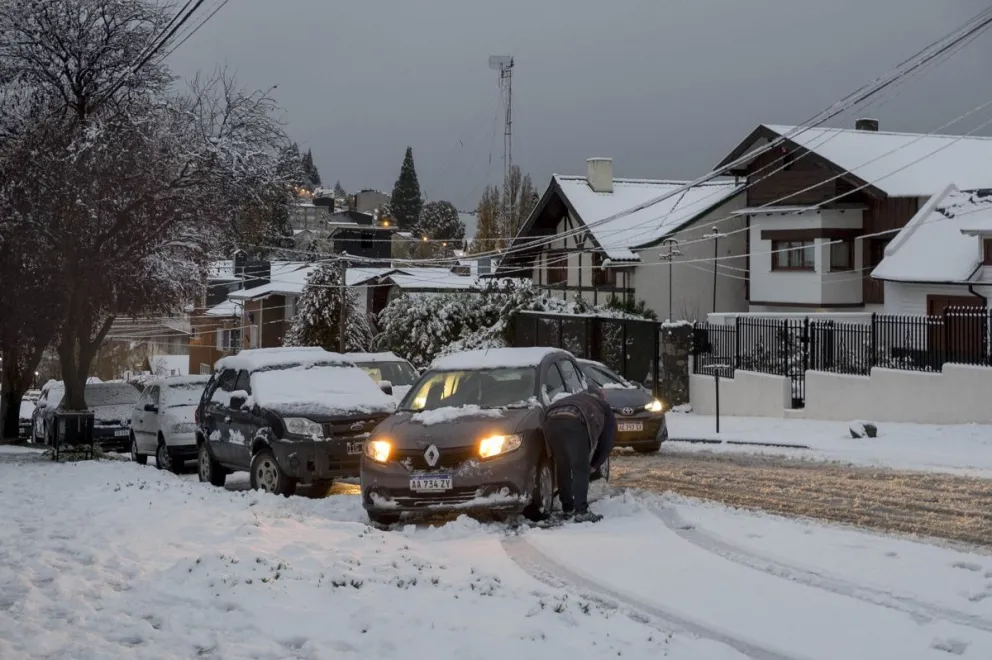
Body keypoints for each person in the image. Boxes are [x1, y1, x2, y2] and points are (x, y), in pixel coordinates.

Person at [543, 384, 615, 523]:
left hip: (550, 420)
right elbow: (607, 443)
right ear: (601, 397)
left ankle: (567, 508)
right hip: (575, 421)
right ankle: (581, 511)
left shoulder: (573, 398)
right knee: (580, 468)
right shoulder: (603, 406)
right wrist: (594, 464)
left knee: (562, 465)